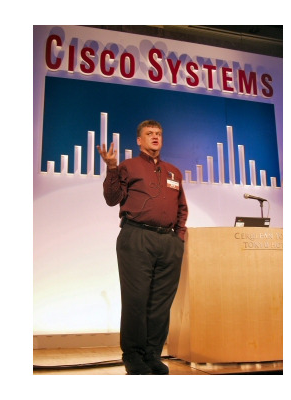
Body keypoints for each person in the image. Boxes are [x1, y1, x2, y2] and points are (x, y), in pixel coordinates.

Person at [97, 119, 188, 375]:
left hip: (168, 242)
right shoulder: (128, 166)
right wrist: (112, 168)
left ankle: (152, 354)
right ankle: (133, 356)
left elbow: (181, 207)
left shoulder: (173, 172)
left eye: (158, 133)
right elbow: (112, 199)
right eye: (149, 133)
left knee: (161, 302)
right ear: (139, 140)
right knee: (136, 300)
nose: (155, 137)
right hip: (136, 237)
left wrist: (178, 237)